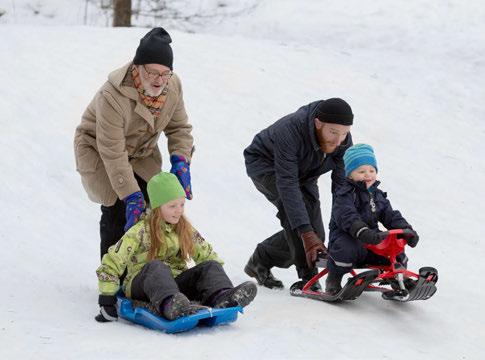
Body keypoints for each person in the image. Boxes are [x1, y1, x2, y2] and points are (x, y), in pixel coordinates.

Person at [74, 27, 194, 260]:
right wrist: (131, 195)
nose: (159, 80)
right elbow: (113, 151)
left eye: (165, 73)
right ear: (137, 68)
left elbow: (179, 128)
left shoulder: (172, 85)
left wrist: (181, 161)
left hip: (141, 152)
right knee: (119, 207)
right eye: (152, 73)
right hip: (99, 151)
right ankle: (112, 279)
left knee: (156, 204)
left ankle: (146, 273)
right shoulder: (112, 96)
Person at [95, 172, 257, 322]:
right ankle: (170, 305)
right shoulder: (139, 231)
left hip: (174, 284)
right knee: (157, 267)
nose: (179, 211)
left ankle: (222, 297)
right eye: (172, 206)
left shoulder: (183, 227)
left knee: (210, 266)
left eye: (181, 205)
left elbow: (206, 253)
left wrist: (216, 281)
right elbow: (113, 260)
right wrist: (107, 298)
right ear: (158, 207)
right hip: (143, 284)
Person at [243, 98, 354, 290]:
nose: (338, 141)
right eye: (333, 132)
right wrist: (306, 233)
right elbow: (287, 185)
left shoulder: (342, 139)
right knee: (298, 219)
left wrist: (347, 221)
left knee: (317, 234)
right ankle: (308, 278)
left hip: (305, 172)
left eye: (344, 133)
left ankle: (261, 258)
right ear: (318, 123)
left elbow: (341, 185)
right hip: (266, 166)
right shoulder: (290, 130)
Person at [325, 144, 420, 294]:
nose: (368, 175)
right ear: (350, 174)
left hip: (372, 239)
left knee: (395, 248)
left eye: (371, 170)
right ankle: (333, 278)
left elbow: (390, 215)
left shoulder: (377, 195)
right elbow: (346, 215)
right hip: (348, 237)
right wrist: (362, 231)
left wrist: (406, 230)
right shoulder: (344, 194)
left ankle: (398, 277)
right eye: (361, 171)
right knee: (345, 248)